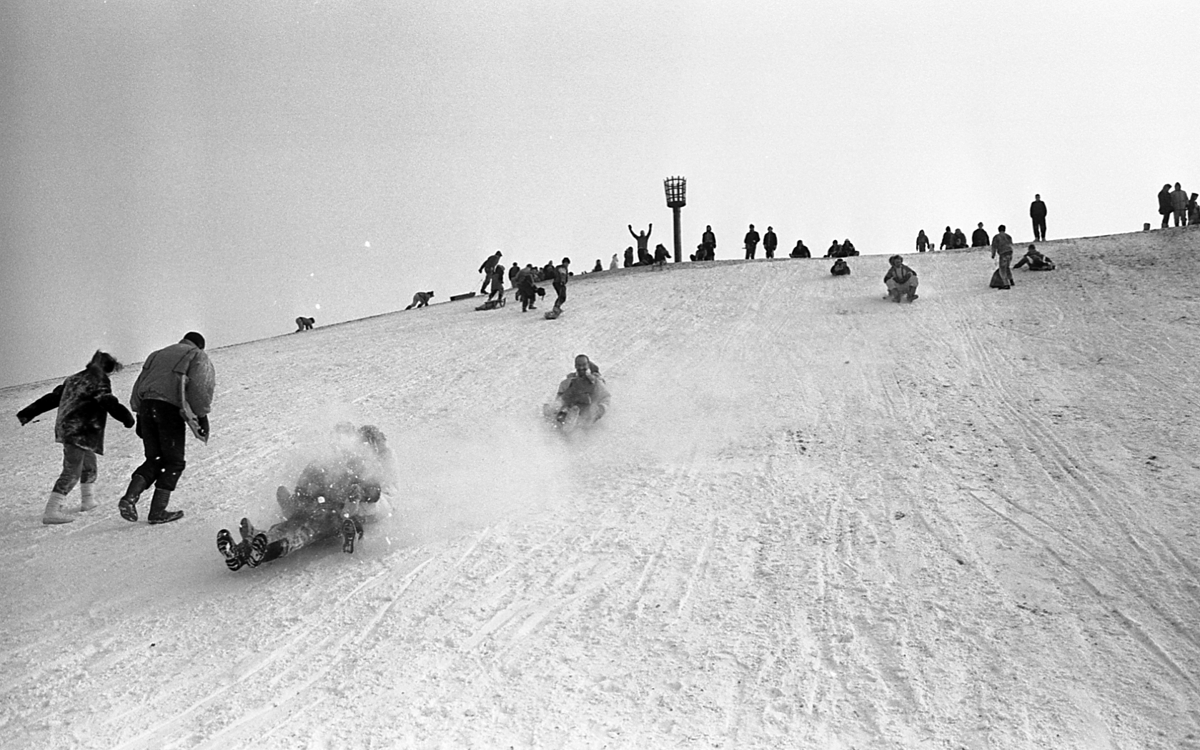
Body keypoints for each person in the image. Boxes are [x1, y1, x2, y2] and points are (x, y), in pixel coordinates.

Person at [217, 424, 395, 570]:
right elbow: (306, 479)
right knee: (292, 524)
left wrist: (359, 493)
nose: (339, 447)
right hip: (316, 507)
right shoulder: (327, 462)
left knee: (305, 532)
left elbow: (374, 491)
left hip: (334, 515)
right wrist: (300, 496)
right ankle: (241, 552)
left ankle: (264, 552)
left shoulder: (362, 465)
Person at [17, 351, 135, 524]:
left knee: (89, 465)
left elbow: (52, 398)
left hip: (69, 428)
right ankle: (52, 511)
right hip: (80, 430)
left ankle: (88, 501)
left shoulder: (73, 378)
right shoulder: (98, 379)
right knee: (72, 470)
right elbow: (107, 400)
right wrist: (126, 417)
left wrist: (28, 412)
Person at [118, 332, 215, 525]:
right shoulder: (197, 355)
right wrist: (201, 415)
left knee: (154, 459)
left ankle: (129, 498)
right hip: (168, 409)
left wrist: (139, 413)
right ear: (200, 345)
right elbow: (200, 387)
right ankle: (158, 511)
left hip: (146, 407)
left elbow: (140, 383)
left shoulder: (157, 354)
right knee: (174, 461)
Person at [543, 354, 611, 427]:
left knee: (588, 408)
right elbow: (560, 395)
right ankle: (561, 416)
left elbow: (606, 397)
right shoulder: (569, 380)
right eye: (579, 365)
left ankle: (576, 419)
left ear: (588, 365)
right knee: (565, 403)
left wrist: (600, 410)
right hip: (572, 403)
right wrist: (556, 406)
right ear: (575, 366)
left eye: (584, 365)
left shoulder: (595, 382)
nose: (581, 367)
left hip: (587, 407)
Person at [990, 224, 1014, 289]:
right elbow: (1011, 244)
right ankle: (1011, 280)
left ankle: (1005, 284)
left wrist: (993, 254)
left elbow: (994, 246)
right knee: (1007, 267)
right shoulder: (1008, 236)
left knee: (1002, 269)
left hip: (1003, 253)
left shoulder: (996, 237)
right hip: (1010, 252)